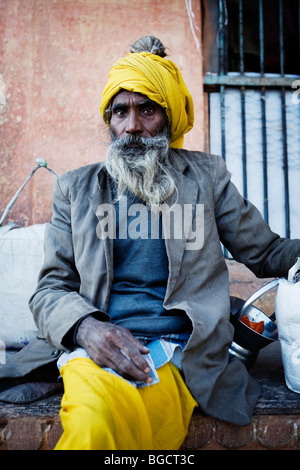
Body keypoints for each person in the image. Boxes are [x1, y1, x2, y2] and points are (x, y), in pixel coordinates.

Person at [2, 35, 300, 450]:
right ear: (109, 121)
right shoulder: (76, 188)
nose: (133, 127)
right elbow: (50, 289)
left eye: (147, 109)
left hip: (181, 353)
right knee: (91, 425)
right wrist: (87, 329)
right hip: (95, 351)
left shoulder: (206, 178)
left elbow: (266, 251)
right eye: (120, 112)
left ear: (168, 118)